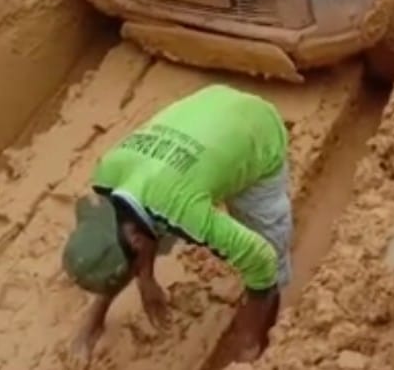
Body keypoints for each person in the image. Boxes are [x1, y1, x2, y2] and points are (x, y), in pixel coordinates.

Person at [62, 84, 292, 368]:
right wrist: (146, 279)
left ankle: (255, 343)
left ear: (137, 240)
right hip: (207, 104)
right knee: (124, 242)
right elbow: (133, 231)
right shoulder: (108, 172)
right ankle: (93, 321)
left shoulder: (187, 211)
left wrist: (247, 339)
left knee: (270, 249)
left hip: (257, 129)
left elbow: (261, 260)